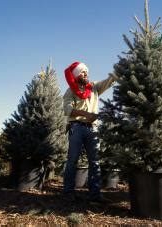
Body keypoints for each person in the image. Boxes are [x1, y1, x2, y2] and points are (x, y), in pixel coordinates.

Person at [63, 61, 115, 203]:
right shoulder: (71, 91)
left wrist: (119, 71)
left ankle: (95, 194)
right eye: (82, 72)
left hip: (93, 129)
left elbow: (109, 81)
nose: (85, 73)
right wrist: (85, 114)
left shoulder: (94, 88)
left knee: (95, 161)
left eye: (86, 71)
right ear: (76, 75)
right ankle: (68, 193)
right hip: (76, 127)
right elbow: (67, 109)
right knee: (72, 160)